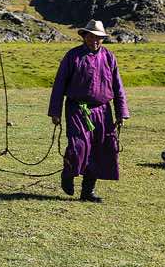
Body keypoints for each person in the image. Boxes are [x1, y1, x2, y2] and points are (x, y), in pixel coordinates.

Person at [48, 19, 130, 203]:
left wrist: (121, 112)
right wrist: (55, 111)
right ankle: (68, 174)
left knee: (99, 150)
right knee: (79, 145)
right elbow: (59, 85)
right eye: (92, 36)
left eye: (99, 37)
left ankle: (88, 191)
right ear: (85, 36)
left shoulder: (109, 57)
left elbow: (118, 87)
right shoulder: (73, 56)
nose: (95, 40)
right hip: (78, 109)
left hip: (103, 111)